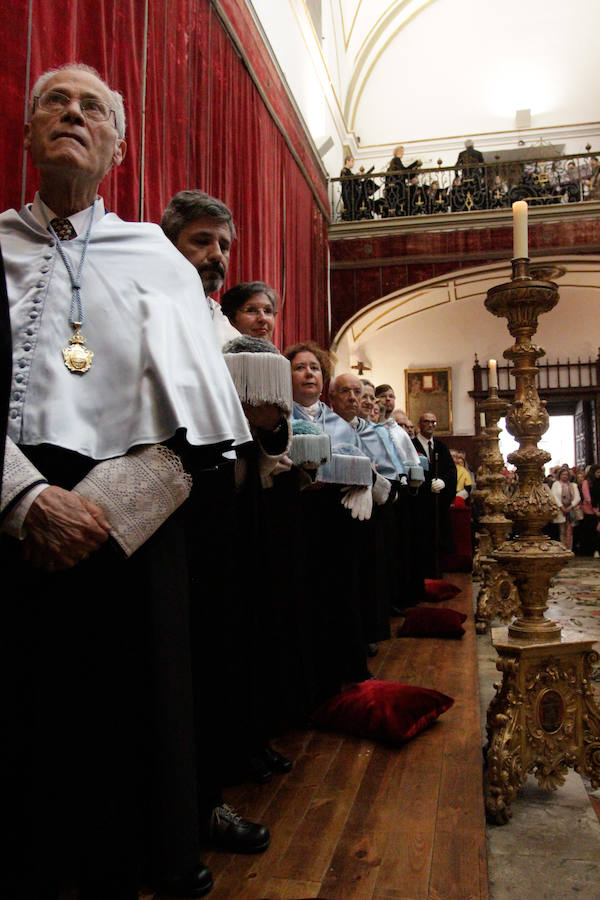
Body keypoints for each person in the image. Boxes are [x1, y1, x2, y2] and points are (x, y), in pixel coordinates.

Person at [0, 62, 266, 900]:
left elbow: (203, 418)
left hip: (131, 517)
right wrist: (23, 498)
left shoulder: (157, 255)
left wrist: (106, 509)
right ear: (29, 130)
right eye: (56, 102)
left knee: (126, 721)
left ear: (118, 146)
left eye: (93, 108)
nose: (73, 115)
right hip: (11, 504)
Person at [161, 189, 240, 346]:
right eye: (202, 241)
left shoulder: (232, 340)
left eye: (224, 247)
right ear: (168, 245)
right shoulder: (134, 311)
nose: (217, 255)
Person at [412, 412, 457, 577]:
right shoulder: (412, 445)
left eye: (433, 422)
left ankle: (438, 572)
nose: (430, 425)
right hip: (420, 504)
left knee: (438, 539)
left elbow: (452, 471)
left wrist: (444, 482)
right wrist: (425, 487)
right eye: (426, 422)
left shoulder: (441, 447)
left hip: (438, 503)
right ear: (420, 424)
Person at [551, 467, 581, 550]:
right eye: (563, 474)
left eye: (566, 474)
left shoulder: (573, 485)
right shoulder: (556, 484)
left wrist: (570, 506)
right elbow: (554, 496)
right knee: (562, 530)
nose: (565, 476)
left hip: (571, 510)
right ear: (559, 475)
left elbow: (577, 498)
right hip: (561, 510)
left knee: (570, 531)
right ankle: (562, 548)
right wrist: (562, 507)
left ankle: (569, 549)